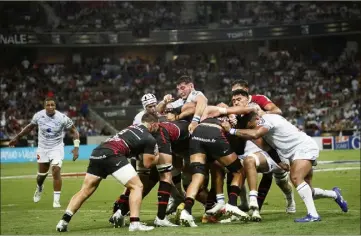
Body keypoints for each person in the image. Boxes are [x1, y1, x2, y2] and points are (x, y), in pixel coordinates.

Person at [221, 111, 349, 222]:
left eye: (251, 126)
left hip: (303, 147)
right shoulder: (264, 126)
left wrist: (231, 130)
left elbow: (255, 134)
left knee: (295, 178)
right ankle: (335, 194)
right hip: (295, 153)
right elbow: (266, 147)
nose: (252, 128)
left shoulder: (268, 120)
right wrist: (279, 162)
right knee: (308, 191)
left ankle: (313, 215)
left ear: (256, 119)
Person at [56, 113, 160, 232]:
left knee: (85, 190)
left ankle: (63, 221)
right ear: (153, 124)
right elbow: (147, 163)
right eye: (157, 126)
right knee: (137, 186)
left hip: (97, 152)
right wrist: (158, 157)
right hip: (113, 154)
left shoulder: (131, 128)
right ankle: (135, 223)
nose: (158, 129)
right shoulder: (149, 138)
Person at [9, 97, 80, 208]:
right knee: (41, 176)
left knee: (56, 170)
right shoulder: (38, 116)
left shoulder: (62, 118)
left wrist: (76, 147)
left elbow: (74, 131)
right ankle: (39, 187)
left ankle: (56, 200)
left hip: (57, 148)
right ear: (44, 106)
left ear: (55, 106)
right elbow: (29, 128)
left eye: (53, 105)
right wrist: (17, 137)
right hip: (42, 148)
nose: (50, 107)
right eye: (48, 105)